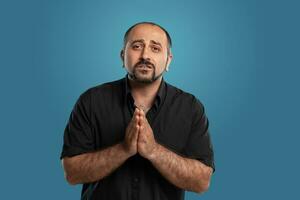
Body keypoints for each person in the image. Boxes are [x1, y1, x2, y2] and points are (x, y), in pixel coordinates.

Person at [60, 22, 215, 200]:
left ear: (168, 60)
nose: (145, 55)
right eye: (136, 46)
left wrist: (154, 151)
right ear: (122, 56)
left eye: (155, 48)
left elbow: (202, 182)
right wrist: (123, 149)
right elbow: (72, 173)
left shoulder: (190, 108)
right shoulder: (91, 101)